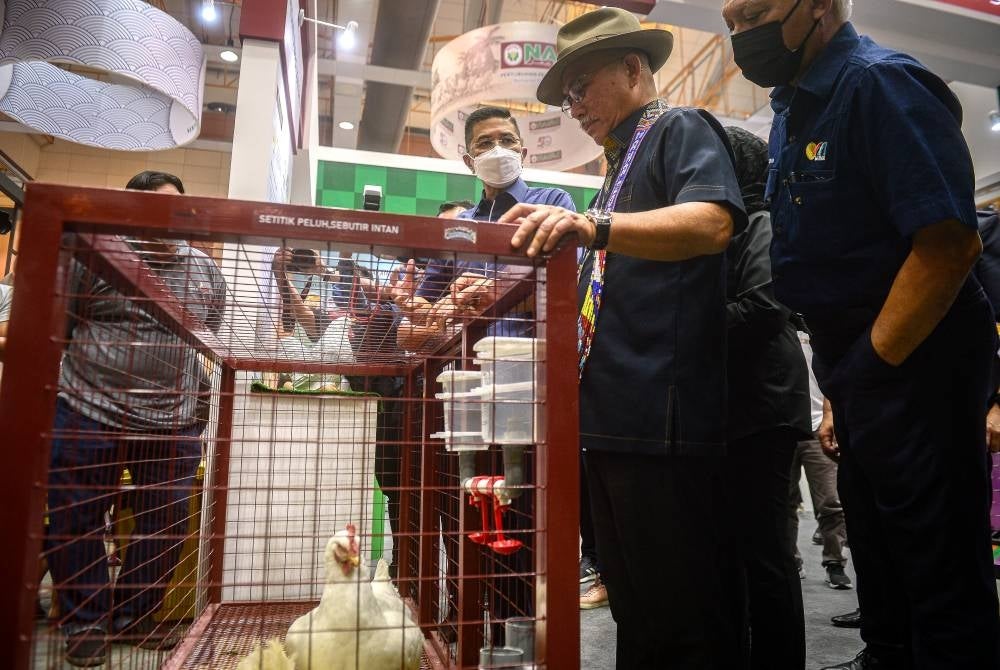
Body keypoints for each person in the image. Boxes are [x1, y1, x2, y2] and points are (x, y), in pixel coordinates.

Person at [725, 1, 1000, 668]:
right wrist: (846, 381)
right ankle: (887, 652)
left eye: (755, 13)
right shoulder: (793, 108)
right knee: (875, 532)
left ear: (819, 5)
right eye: (730, 21)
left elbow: (948, 244)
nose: (741, 35)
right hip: (855, 356)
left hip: (915, 352)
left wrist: (873, 365)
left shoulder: (880, 83)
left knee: (934, 550)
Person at [500, 8, 747, 666]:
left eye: (581, 87)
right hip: (612, 418)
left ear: (634, 69)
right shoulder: (618, 164)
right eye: (567, 97)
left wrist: (593, 227)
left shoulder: (678, 129)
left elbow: (712, 222)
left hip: (660, 418)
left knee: (681, 611)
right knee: (635, 608)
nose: (575, 108)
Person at [48, 171, 226, 666]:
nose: (168, 223)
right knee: (76, 517)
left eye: (175, 211)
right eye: (153, 211)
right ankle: (85, 622)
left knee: (165, 520)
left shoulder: (205, 270)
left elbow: (207, 334)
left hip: (172, 419)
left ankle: (134, 615)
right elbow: (61, 325)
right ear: (131, 214)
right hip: (89, 407)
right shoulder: (95, 255)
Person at [722, 125, 811, 669]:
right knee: (744, 548)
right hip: (743, 407)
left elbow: (762, 307)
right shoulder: (734, 228)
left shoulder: (762, 222)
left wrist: (684, 326)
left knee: (767, 553)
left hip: (765, 407)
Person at [789, 332, 852, 590]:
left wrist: (829, 415)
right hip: (786, 425)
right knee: (785, 501)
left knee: (831, 501)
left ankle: (835, 563)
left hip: (817, 425)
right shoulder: (776, 324)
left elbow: (831, 369)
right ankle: (791, 561)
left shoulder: (814, 325)